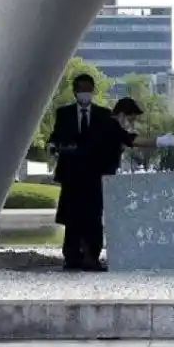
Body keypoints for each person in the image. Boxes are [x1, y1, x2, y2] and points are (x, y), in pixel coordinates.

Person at [46, 73, 111, 271]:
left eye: (88, 89)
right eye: (81, 89)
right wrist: (54, 146)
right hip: (72, 174)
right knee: (72, 217)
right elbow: (55, 137)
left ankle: (92, 256)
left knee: (93, 218)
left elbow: (109, 143)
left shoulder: (103, 115)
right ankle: (72, 256)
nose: (85, 93)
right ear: (75, 92)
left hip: (94, 176)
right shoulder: (64, 113)